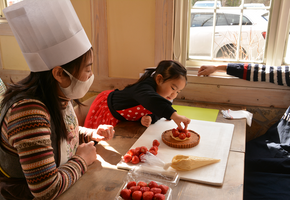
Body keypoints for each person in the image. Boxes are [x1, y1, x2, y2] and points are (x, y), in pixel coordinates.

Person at [0, 0, 114, 199]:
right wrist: (82, 159)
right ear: (59, 73)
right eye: (88, 69)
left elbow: (55, 137)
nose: (91, 76)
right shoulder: (28, 112)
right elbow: (46, 190)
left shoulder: (57, 95)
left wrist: (90, 134)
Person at [198, 63, 290, 199]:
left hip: (283, 164)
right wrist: (218, 68)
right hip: (272, 145)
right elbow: (262, 71)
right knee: (225, 161)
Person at [83, 60, 191, 130]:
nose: (174, 95)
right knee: (98, 142)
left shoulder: (164, 96)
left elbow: (158, 110)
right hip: (108, 109)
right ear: (159, 79)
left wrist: (150, 117)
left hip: (125, 118)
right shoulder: (144, 88)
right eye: (173, 88)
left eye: (178, 92)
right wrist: (174, 115)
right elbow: (152, 101)